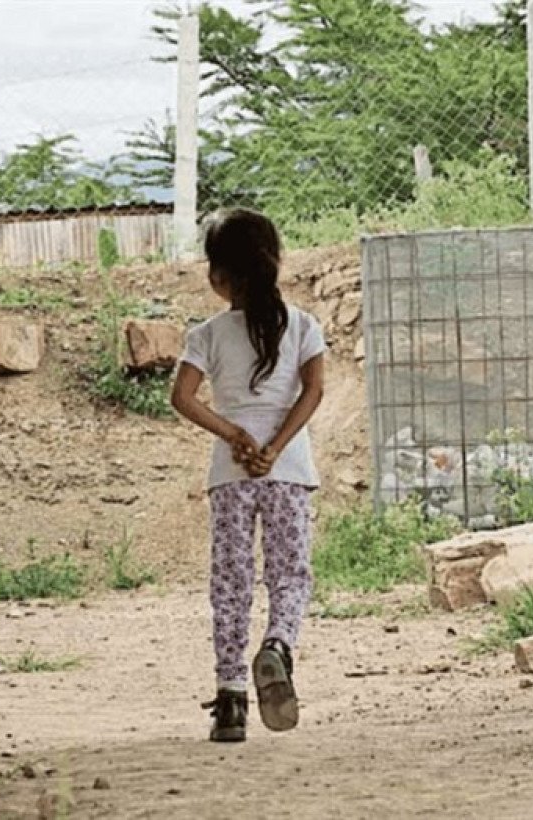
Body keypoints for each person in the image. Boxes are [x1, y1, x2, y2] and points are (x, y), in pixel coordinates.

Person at [170, 209, 326, 742]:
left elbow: (182, 397)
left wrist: (234, 434)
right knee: (289, 574)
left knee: (231, 581)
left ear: (218, 276)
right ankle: (277, 645)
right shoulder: (303, 326)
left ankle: (231, 700)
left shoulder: (207, 334)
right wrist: (276, 447)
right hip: (289, 471)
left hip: (230, 477)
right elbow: (314, 391)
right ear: (274, 263)